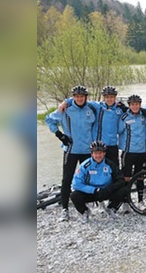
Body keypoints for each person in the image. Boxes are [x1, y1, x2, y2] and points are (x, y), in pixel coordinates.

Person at [57, 85, 146, 164]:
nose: (109, 99)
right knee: (97, 167)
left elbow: (135, 109)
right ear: (104, 98)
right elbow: (80, 100)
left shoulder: (120, 109)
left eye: (112, 97)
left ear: (115, 98)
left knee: (114, 169)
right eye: (107, 97)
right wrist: (66, 102)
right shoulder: (97, 107)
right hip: (99, 144)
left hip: (113, 144)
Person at [45, 85, 97, 222]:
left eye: (82, 96)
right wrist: (59, 134)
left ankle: (84, 207)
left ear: (86, 97)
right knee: (67, 179)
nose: (79, 98)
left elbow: (107, 105)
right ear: (73, 97)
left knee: (87, 179)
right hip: (71, 150)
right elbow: (48, 119)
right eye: (76, 96)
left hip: (87, 150)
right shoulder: (65, 108)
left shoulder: (91, 108)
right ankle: (65, 209)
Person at [70, 141, 128, 223]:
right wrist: (94, 190)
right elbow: (76, 184)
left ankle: (111, 208)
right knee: (74, 195)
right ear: (91, 154)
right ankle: (84, 212)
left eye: (100, 153)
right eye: (95, 153)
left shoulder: (110, 164)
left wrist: (108, 189)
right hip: (91, 192)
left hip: (106, 191)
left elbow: (120, 180)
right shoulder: (85, 166)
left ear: (104, 153)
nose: (98, 155)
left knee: (124, 190)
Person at [117, 94, 146, 213]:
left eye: (137, 104)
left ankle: (140, 201)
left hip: (141, 151)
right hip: (128, 152)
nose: (135, 106)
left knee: (140, 177)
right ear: (129, 106)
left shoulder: (143, 117)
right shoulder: (124, 117)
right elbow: (118, 131)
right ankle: (126, 202)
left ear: (140, 105)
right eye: (132, 104)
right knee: (126, 177)